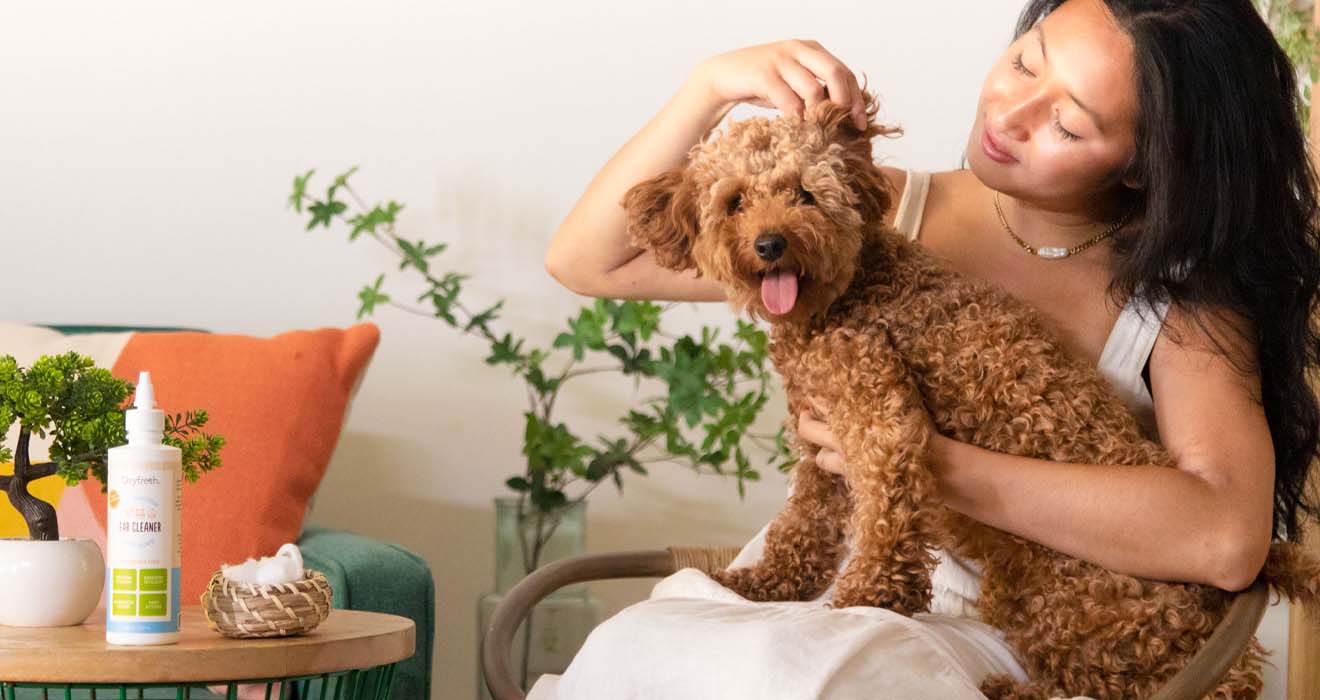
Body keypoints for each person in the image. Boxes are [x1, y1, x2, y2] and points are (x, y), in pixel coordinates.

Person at [538, 0, 1320, 696]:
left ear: (1150, 166)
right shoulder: (862, 216)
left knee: (801, 678)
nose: (1011, 114)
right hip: (839, 584)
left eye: (1067, 122)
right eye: (1025, 62)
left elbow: (1224, 537)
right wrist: (709, 87)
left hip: (1024, 626)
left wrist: (935, 463)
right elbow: (587, 260)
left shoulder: (1180, 293)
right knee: (636, 646)